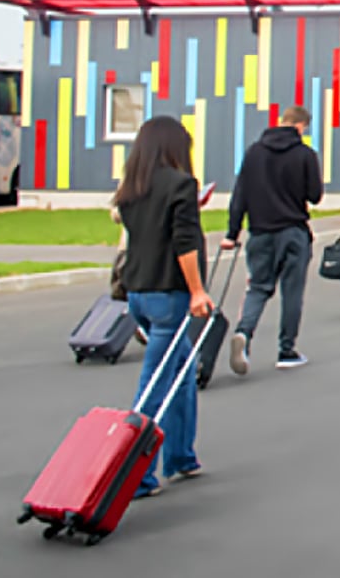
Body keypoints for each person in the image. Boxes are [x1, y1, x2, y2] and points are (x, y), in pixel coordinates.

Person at [113, 116, 214, 499]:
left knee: (182, 373)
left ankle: (181, 456)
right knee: (154, 385)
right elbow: (184, 242)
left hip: (138, 291)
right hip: (169, 294)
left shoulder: (130, 189)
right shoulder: (181, 185)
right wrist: (197, 291)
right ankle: (135, 475)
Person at [222, 105, 323, 374]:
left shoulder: (254, 152)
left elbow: (239, 195)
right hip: (293, 231)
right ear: (302, 126)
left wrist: (232, 233)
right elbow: (315, 195)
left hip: (260, 231)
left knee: (258, 287)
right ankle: (286, 350)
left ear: (281, 121)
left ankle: (244, 333)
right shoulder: (305, 154)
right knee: (292, 290)